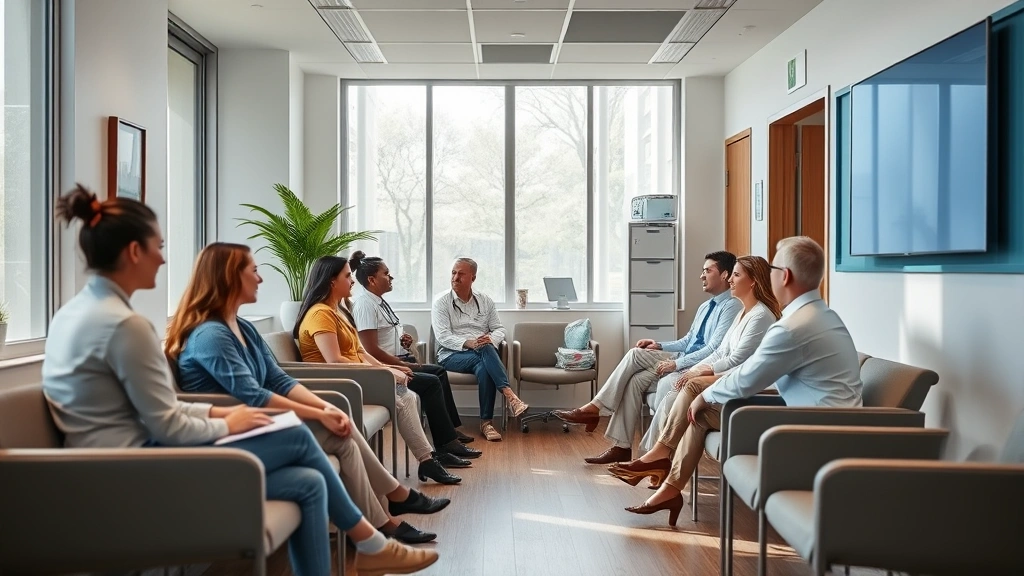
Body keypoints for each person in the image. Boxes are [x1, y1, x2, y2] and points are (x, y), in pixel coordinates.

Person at [42, 186, 436, 576]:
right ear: (133, 252)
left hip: (125, 458)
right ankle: (371, 543)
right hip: (132, 470)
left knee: (309, 482)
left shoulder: (77, 313)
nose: (163, 259)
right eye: (158, 247)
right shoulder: (127, 326)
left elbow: (163, 407)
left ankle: (372, 541)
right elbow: (164, 422)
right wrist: (228, 420)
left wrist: (220, 413)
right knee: (300, 436)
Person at [167, 243, 445, 545]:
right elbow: (252, 395)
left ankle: (385, 521)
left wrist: (324, 409)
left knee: (342, 427)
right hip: (233, 433)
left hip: (259, 422)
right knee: (340, 432)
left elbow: (278, 378)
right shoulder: (211, 335)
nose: (260, 279)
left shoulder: (242, 327)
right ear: (229, 277)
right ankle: (389, 513)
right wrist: (318, 412)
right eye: (255, 271)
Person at [620, 236, 864, 525]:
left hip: (808, 433)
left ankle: (660, 459)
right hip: (819, 422)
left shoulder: (792, 327)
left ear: (783, 276)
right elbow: (750, 372)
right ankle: (669, 488)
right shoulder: (822, 316)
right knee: (698, 412)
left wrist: (702, 393)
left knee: (699, 399)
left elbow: (746, 378)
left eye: (773, 268)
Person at [554, 251, 742, 464]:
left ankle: (598, 411)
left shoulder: (732, 306)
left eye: (708, 271)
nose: (701, 276)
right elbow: (689, 340)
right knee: (635, 379)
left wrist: (676, 364)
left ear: (725, 275)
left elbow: (713, 348)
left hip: (696, 366)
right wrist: (659, 345)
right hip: (682, 357)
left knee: (635, 355)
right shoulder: (705, 306)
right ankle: (621, 447)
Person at [611, 255, 782, 489]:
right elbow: (720, 351)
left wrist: (697, 372)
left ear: (753, 281)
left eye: (736, 275)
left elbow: (737, 359)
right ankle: (656, 465)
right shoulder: (744, 312)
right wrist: (695, 369)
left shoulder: (761, 316)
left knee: (676, 395)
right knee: (677, 395)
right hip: (723, 380)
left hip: (738, 389)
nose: (731, 279)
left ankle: (653, 459)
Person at [293, 256, 467, 485]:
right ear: (332, 281)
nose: (353, 281)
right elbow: (334, 360)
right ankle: (429, 460)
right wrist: (386, 373)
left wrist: (389, 368)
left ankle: (428, 460)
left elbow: (361, 353)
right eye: (347, 276)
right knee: (406, 396)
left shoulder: (338, 312)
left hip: (356, 375)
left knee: (409, 394)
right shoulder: (320, 314)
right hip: (339, 383)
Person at [348, 251, 478, 447]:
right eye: (386, 273)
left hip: (397, 359)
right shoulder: (365, 305)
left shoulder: (378, 301)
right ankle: (446, 443)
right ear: (372, 279)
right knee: (432, 381)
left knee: (439, 372)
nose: (391, 277)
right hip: (385, 369)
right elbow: (371, 349)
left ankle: (450, 430)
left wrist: (403, 341)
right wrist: (400, 364)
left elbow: (383, 336)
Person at [431, 257, 528, 442]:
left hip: (479, 354)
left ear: (473, 278)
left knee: (485, 359)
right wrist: (469, 342)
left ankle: (486, 424)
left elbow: (499, 328)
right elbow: (442, 336)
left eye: (461, 274)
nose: (455, 278)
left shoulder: (485, 301)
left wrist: (490, 339)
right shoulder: (441, 302)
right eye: (453, 273)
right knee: (484, 348)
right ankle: (509, 395)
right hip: (451, 355)